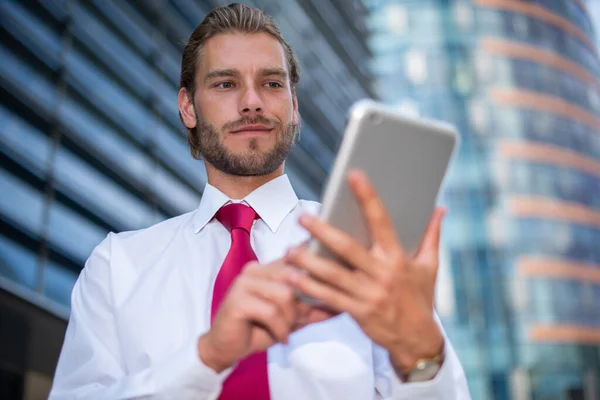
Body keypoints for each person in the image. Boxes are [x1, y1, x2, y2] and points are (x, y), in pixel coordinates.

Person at [49, 3, 470, 399]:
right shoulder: (116, 267)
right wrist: (207, 357)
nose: (251, 101)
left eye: (271, 83)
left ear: (293, 108)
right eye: (226, 83)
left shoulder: (363, 252)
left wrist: (422, 358)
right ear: (188, 107)